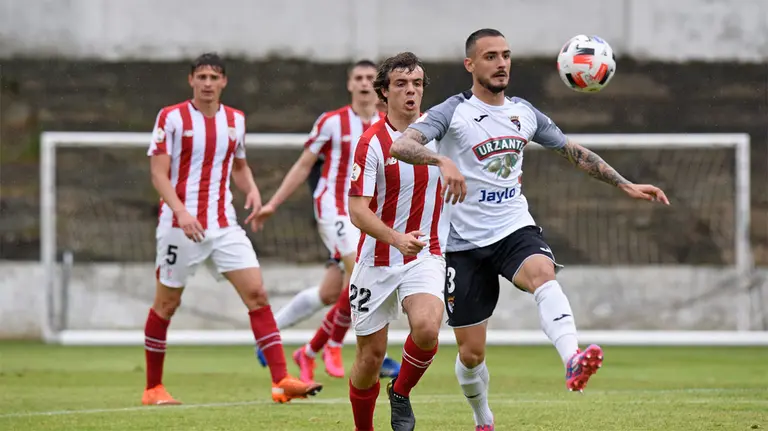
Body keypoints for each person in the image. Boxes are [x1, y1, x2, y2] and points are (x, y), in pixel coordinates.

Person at [391, 29, 670, 430]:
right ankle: (483, 418)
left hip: (513, 227)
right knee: (471, 354)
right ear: (470, 65)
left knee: (543, 274)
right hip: (462, 243)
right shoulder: (452, 111)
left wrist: (624, 182)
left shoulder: (524, 113)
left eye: (505, 55)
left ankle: (572, 358)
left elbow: (573, 152)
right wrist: (440, 162)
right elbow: (402, 145)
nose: (501, 63)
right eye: (490, 57)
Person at [143, 53, 322, 405]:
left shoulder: (235, 120)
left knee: (257, 294)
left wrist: (252, 189)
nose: (208, 83)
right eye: (202, 76)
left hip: (224, 225)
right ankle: (153, 388)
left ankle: (281, 381)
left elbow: (238, 165)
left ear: (224, 82)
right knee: (166, 304)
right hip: (181, 227)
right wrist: (180, 211)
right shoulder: (171, 118)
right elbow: (158, 173)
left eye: (214, 77)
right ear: (191, 80)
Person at [254, 60, 399, 382]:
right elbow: (304, 165)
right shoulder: (332, 122)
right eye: (358, 78)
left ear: (377, 86)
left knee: (330, 292)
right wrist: (273, 204)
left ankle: (272, 337)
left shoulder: (387, 124)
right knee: (363, 273)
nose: (363, 83)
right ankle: (335, 344)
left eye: (368, 78)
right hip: (334, 209)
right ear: (349, 84)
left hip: (368, 215)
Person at [347, 52, 446, 431]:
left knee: (426, 329)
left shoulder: (440, 132)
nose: (411, 91)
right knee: (370, 357)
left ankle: (401, 392)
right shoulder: (370, 143)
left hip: (425, 254)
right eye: (401, 84)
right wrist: (395, 238)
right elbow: (358, 210)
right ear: (383, 93)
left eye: (417, 84)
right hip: (377, 259)